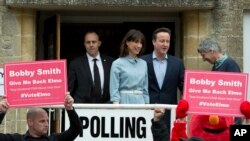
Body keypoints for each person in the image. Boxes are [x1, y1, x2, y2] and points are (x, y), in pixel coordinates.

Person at [141, 27, 185, 130]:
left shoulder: (177, 63)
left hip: (169, 113)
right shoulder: (142, 61)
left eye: (167, 41)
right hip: (147, 111)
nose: (165, 44)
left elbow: (184, 87)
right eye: (162, 41)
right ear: (154, 42)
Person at [197, 37, 242, 124]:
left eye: (203, 55)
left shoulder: (230, 64)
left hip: (231, 117)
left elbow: (236, 94)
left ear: (211, 51)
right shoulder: (216, 66)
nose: (203, 59)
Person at [0, 94, 82, 141]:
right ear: (30, 122)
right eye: (42, 121)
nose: (46, 124)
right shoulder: (16, 139)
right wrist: (1, 112)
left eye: (47, 121)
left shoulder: (54, 139)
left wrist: (70, 109)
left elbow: (76, 129)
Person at [68, 30, 114, 103]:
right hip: (82, 108)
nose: (91, 45)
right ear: (84, 44)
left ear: (99, 43)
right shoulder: (75, 64)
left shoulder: (111, 62)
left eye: (94, 42)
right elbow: (70, 89)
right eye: (88, 42)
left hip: (106, 108)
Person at [110, 29, 149, 104]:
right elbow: (114, 90)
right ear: (127, 42)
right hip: (124, 102)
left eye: (141, 43)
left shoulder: (144, 64)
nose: (139, 45)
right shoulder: (117, 63)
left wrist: (147, 107)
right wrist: (116, 107)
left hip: (141, 103)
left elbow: (145, 89)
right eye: (136, 42)